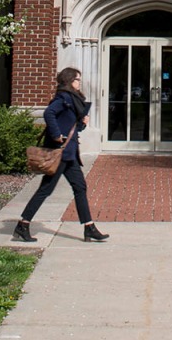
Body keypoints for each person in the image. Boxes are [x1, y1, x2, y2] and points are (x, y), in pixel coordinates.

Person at [14, 68, 110, 242]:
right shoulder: (64, 97)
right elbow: (48, 113)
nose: (79, 82)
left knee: (80, 187)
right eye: (77, 79)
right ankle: (23, 224)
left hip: (70, 155)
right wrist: (57, 135)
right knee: (46, 190)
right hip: (60, 154)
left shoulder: (73, 100)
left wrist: (83, 123)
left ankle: (89, 227)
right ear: (69, 80)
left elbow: (73, 128)